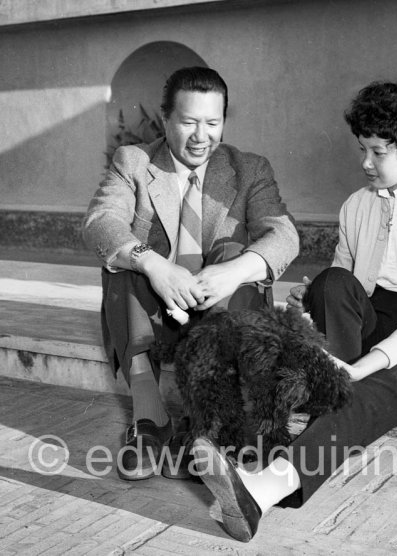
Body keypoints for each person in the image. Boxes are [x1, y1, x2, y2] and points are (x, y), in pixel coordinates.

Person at [192, 81, 397, 542]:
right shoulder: (355, 206)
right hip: (370, 315)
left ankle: (261, 491)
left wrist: (359, 368)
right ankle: (282, 415)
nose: (365, 162)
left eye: (378, 152)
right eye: (362, 149)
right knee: (327, 283)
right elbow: (343, 285)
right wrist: (308, 305)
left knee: (368, 393)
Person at [82, 66, 299, 481]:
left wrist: (232, 272)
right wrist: (154, 264)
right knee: (123, 258)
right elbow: (100, 221)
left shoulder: (248, 168)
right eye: (189, 122)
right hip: (156, 313)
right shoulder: (134, 161)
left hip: (223, 318)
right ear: (165, 120)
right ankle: (150, 420)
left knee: (237, 252)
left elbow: (284, 236)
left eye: (212, 123)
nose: (202, 136)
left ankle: (207, 426)